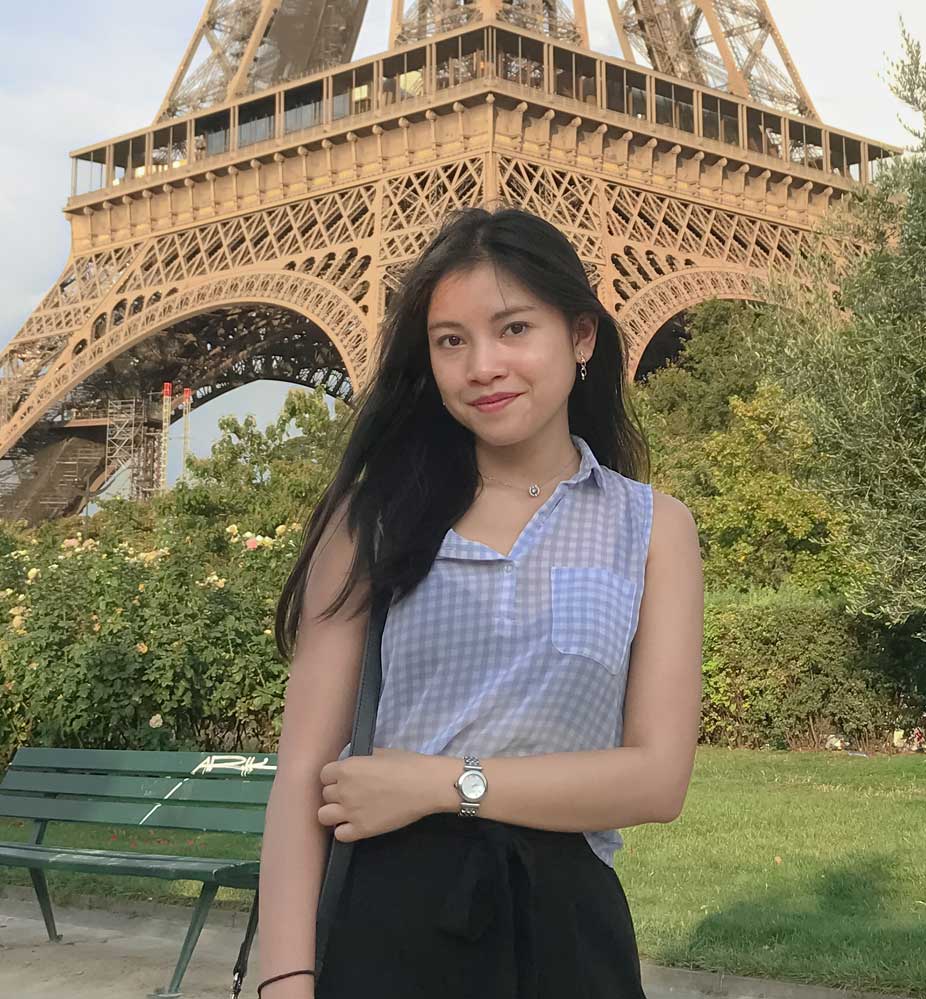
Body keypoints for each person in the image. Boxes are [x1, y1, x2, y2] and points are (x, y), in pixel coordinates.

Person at [255, 205, 704, 999]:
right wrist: (284, 980)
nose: (481, 366)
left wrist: (443, 784)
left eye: (513, 328)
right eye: (450, 341)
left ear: (581, 336)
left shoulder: (652, 528)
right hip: (392, 925)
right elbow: (300, 773)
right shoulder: (375, 519)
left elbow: (657, 779)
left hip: (567, 933)